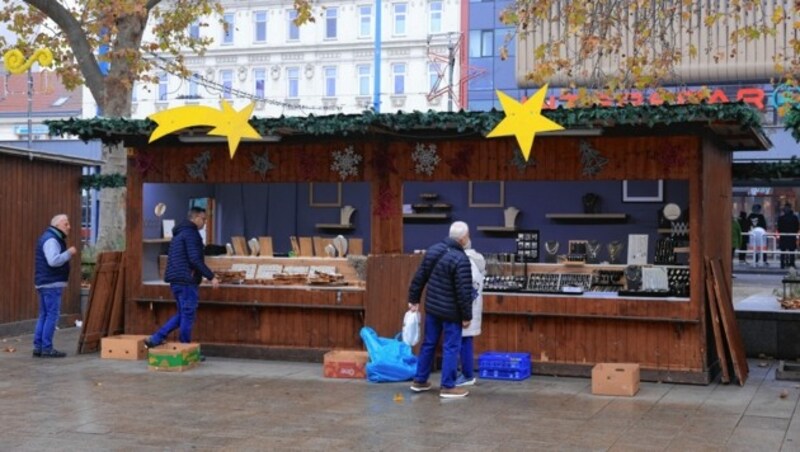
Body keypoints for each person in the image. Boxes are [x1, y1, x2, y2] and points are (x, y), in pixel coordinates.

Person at [407, 221, 474, 398]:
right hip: (452, 313)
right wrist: (467, 316)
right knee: (451, 347)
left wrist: (413, 299)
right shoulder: (461, 259)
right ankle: (448, 386)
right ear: (463, 238)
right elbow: (463, 291)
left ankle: (420, 380)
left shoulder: (434, 250)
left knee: (429, 343)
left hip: (433, 308)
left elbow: (420, 276)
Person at [145, 207, 219, 350]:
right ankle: (184, 350)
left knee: (182, 314)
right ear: (195, 218)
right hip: (187, 281)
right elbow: (195, 259)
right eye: (203, 219)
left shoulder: (179, 233)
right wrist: (211, 276)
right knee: (188, 316)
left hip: (177, 281)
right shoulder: (192, 234)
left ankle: (156, 338)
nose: (204, 222)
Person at [33, 214, 78, 358]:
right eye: (66, 224)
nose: (69, 227)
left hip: (44, 282)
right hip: (51, 283)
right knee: (51, 315)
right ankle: (46, 348)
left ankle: (38, 347)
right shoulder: (52, 239)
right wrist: (69, 253)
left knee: (44, 315)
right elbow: (53, 261)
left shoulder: (49, 237)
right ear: (57, 225)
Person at [456, 244, 486, 387]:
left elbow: (465, 288)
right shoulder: (477, 261)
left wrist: (465, 314)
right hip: (471, 309)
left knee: (464, 343)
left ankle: (467, 375)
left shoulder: (466, 262)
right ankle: (466, 373)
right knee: (465, 342)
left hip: (465, 311)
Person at [777, 203, 799, 269]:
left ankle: (782, 264)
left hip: (783, 236)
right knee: (791, 251)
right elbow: (797, 227)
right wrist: (794, 232)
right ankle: (792, 264)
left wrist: (782, 232)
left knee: (783, 251)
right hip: (791, 236)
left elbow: (779, 227)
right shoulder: (794, 217)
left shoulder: (781, 218)